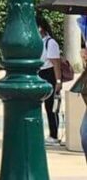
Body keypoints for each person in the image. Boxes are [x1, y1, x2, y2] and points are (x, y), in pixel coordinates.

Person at [37, 16, 62, 145]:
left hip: (49, 75)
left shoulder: (50, 43)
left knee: (51, 107)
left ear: (40, 28)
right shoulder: (38, 42)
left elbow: (56, 64)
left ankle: (54, 135)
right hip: (40, 73)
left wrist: (58, 82)